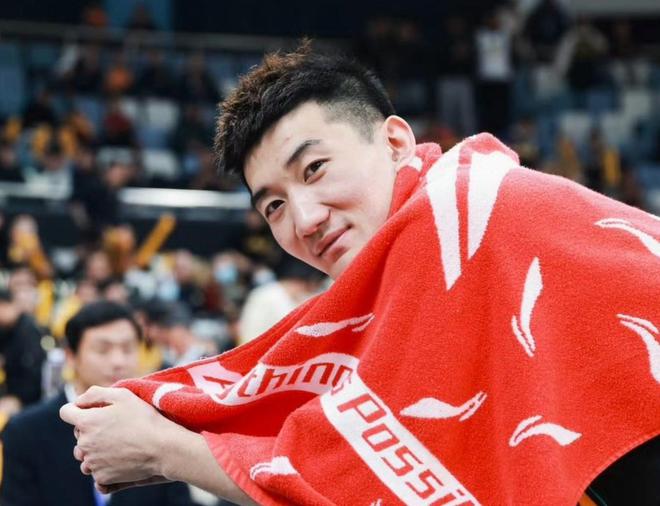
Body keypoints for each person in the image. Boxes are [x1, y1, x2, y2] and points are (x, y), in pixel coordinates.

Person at [61, 45, 659, 505]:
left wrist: (167, 447)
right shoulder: (414, 267)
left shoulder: (466, 213)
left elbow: (364, 480)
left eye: (315, 168)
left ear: (396, 141)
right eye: (274, 206)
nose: (304, 219)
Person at [1, 300, 195, 505]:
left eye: (128, 349)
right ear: (71, 356)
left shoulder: (159, 427)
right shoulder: (24, 431)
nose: (118, 361)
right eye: (103, 350)